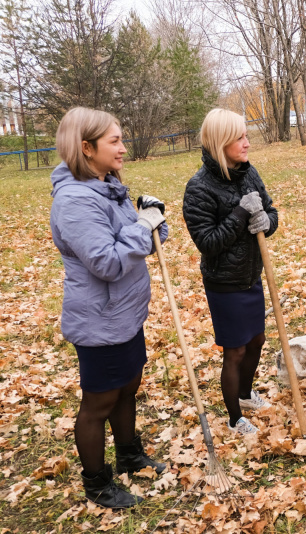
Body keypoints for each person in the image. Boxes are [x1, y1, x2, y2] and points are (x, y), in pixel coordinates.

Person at [49, 107, 169, 509]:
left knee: (128, 388)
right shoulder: (75, 201)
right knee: (99, 402)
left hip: (126, 314)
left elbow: (144, 242)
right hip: (99, 319)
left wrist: (155, 219)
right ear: (86, 148)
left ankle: (130, 456)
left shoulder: (107, 185)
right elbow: (109, 262)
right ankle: (97, 483)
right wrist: (142, 226)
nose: (123, 147)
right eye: (114, 141)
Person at [183, 108, 278, 436]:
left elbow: (270, 210)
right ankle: (235, 417)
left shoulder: (248, 173)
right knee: (235, 350)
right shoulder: (199, 188)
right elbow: (208, 243)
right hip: (224, 283)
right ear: (220, 141)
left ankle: (244, 394)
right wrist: (240, 214)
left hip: (251, 275)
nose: (246, 143)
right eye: (239, 137)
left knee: (257, 341)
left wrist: (268, 221)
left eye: (246, 135)